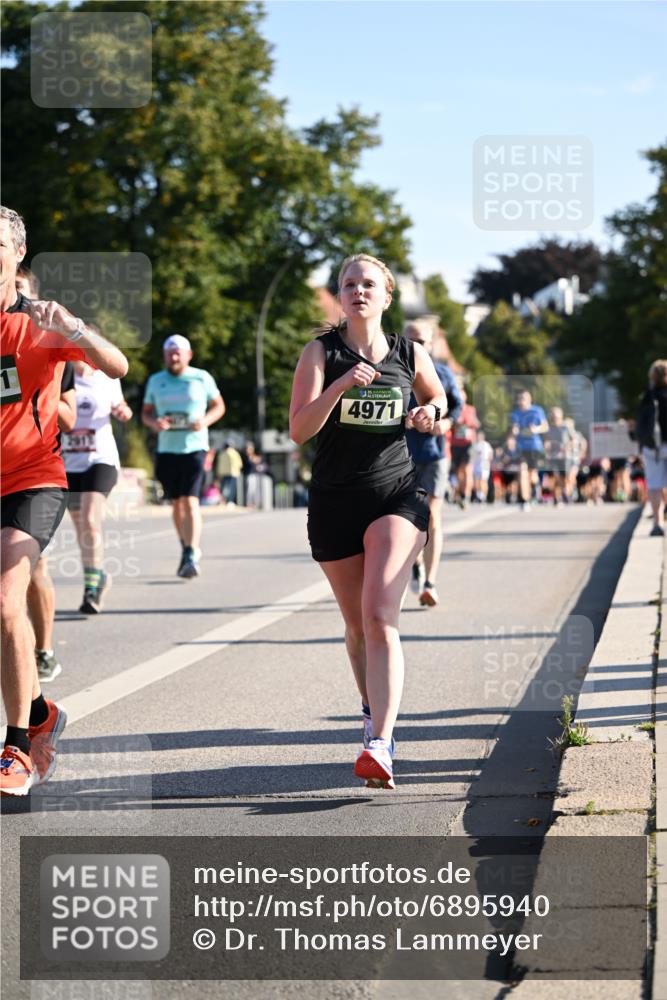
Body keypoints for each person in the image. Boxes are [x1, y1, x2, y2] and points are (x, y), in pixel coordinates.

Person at [289, 253, 447, 790]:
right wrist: (338, 388)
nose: (358, 291)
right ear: (339, 295)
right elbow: (298, 430)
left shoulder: (411, 352)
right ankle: (369, 709)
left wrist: (433, 414)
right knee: (357, 626)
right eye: (348, 283)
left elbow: (437, 396)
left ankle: (381, 742)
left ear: (386, 295)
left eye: (368, 284)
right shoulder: (321, 352)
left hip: (396, 495)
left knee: (380, 615)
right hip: (335, 500)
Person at [0, 205, 128, 795]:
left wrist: (74, 328)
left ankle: (19, 747)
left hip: (34, 478)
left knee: (6, 602)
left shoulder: (41, 322)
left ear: (18, 253)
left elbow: (117, 363)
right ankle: (42, 712)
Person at [16, 266, 77, 680]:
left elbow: (70, 416)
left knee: (33, 571)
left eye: (20, 290)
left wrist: (35, 394)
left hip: (34, 474)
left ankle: (44, 648)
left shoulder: (48, 340)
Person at [142, 335, 225, 578]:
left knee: (190, 501)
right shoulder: (156, 381)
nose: (174, 357)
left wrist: (205, 421)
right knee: (176, 503)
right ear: (165, 356)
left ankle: (190, 551)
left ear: (189, 355)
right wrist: (155, 423)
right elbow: (146, 413)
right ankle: (185, 546)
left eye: (179, 353)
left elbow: (219, 406)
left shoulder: (202, 377)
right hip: (167, 449)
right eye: (170, 353)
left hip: (194, 447)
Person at [63, 359, 133, 613]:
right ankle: (97, 575)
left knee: (91, 519)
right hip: (69, 462)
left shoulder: (107, 378)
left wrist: (124, 412)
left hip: (100, 459)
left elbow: (120, 405)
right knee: (81, 525)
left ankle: (90, 589)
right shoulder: (61, 372)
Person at [404, 320, 462, 607]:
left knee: (432, 516)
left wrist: (447, 422)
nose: (417, 346)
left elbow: (458, 407)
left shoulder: (442, 374)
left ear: (432, 344)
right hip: (401, 455)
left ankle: (430, 583)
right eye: (412, 340)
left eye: (423, 342)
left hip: (434, 454)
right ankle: (415, 565)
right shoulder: (393, 371)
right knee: (411, 520)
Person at [636, 359, 667, 536]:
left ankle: (658, 523)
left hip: (653, 446)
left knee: (655, 485)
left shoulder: (649, 395)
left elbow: (641, 423)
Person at [510, 389, 549, 510]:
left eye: (524, 398)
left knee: (532, 475)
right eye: (519, 398)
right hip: (521, 447)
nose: (521, 401)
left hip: (535, 447)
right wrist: (512, 435)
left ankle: (535, 489)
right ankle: (524, 500)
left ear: (529, 399)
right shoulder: (515, 413)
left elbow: (545, 427)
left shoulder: (537, 411)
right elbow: (514, 429)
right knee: (522, 471)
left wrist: (535, 429)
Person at [450, 385, 480, 508]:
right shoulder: (452, 409)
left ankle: (465, 496)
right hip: (455, 444)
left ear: (465, 397)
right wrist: (454, 423)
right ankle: (461, 492)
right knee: (458, 472)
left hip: (468, 444)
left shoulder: (470, 409)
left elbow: (477, 424)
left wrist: (467, 422)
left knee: (467, 469)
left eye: (462, 395)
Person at [216, 440, 243, 505]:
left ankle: (222, 501)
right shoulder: (234, 453)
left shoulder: (221, 454)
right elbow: (239, 464)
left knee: (224, 488)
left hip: (223, 473)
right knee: (231, 488)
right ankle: (229, 501)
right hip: (233, 473)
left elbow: (219, 465)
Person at [470, 430, 494, 503]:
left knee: (483, 480)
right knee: (477, 480)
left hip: (484, 463)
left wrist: (488, 461)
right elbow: (471, 455)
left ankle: (483, 495)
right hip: (476, 464)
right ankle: (478, 495)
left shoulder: (486, 445)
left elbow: (490, 454)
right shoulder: (474, 445)